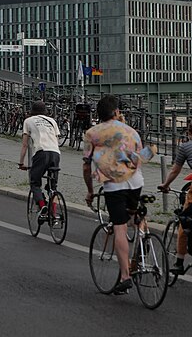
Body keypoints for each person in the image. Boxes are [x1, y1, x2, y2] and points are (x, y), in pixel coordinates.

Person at [82, 95, 147, 296]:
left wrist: (91, 191)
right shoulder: (132, 131)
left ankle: (125, 276)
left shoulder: (92, 133)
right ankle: (143, 245)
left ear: (98, 115)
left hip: (114, 187)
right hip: (136, 182)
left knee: (119, 227)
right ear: (117, 112)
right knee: (136, 217)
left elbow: (86, 166)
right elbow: (143, 156)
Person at [158, 120, 192, 274]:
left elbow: (175, 170)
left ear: (189, 133)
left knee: (184, 223)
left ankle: (179, 262)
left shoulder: (186, 147)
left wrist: (165, 185)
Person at [17, 101, 61, 217]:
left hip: (41, 153)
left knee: (35, 183)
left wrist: (21, 163)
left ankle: (42, 206)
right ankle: (54, 213)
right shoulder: (52, 121)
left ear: (32, 112)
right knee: (53, 186)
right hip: (55, 153)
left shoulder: (28, 121)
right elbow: (56, 141)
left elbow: (25, 145)